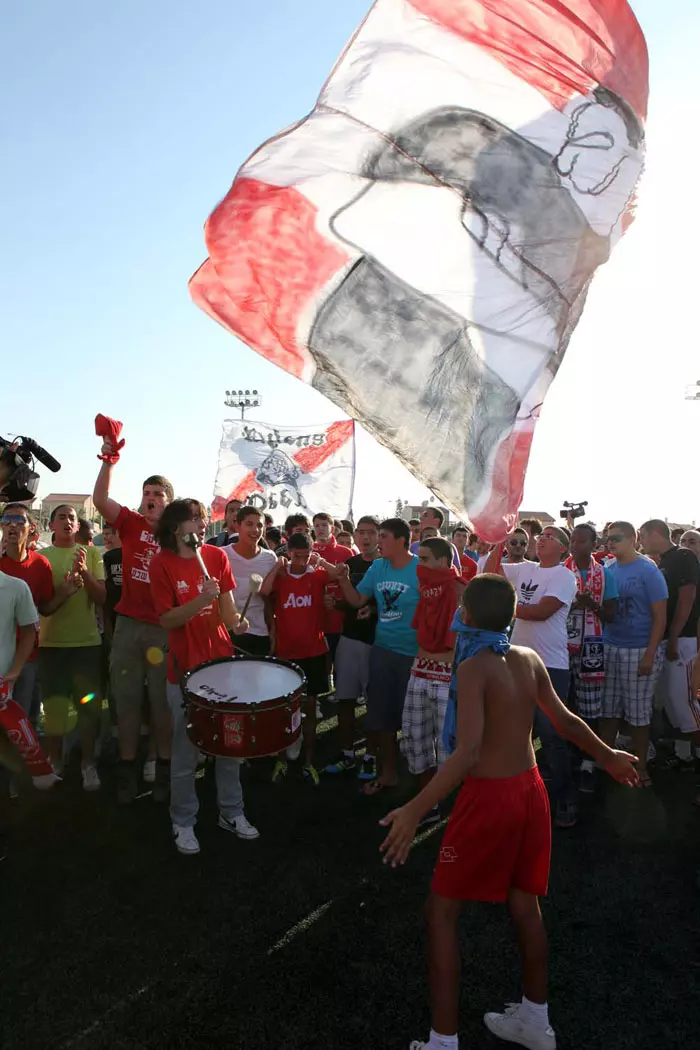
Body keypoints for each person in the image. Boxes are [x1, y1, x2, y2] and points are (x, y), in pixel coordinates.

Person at [379, 574, 640, 1050]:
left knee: (441, 913)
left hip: (490, 799)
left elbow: (469, 751)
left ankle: (442, 1041)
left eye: (462, 606)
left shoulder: (474, 666)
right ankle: (536, 1022)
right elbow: (564, 721)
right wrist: (608, 755)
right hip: (529, 790)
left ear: (468, 616)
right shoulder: (528, 657)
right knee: (524, 904)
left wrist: (416, 808)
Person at [149, 499, 258, 855]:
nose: (199, 523)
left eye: (200, 518)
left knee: (230, 746)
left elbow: (227, 614)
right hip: (184, 669)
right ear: (175, 527)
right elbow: (166, 619)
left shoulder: (216, 557)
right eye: (191, 519)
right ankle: (183, 820)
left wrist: (237, 623)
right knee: (185, 752)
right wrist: (199, 599)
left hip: (222, 665)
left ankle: (232, 812)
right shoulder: (161, 563)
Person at [93, 435, 174, 804]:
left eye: (157, 493)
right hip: (128, 626)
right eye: (146, 492)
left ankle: (160, 768)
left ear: (169, 501)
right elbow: (99, 501)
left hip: (162, 629)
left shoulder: (178, 535)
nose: (150, 497)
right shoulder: (129, 523)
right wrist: (110, 460)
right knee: (125, 701)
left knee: (161, 703)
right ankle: (128, 768)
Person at [485, 527, 579, 828]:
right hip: (518, 662)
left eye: (550, 536)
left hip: (550, 665)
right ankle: (518, 794)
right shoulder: (525, 568)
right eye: (542, 535)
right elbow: (489, 578)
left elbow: (541, 612)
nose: (542, 538)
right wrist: (499, 539)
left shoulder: (564, 576)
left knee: (551, 735)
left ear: (563, 548)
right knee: (516, 731)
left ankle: (565, 798)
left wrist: (504, 609)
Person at [337, 518, 419, 793]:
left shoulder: (421, 568)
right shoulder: (378, 566)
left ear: (401, 540)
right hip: (382, 650)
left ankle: (420, 780)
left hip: (414, 655)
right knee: (382, 715)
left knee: (414, 719)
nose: (377, 541)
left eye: (383, 536)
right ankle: (388, 774)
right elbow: (357, 600)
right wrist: (344, 580)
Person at [261, 534, 339, 784]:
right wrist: (278, 564)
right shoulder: (281, 578)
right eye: (298, 555)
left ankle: (308, 761)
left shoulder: (316, 575)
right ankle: (282, 760)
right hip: (286, 653)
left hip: (314, 652)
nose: (302, 560)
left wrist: (320, 561)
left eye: (307, 555)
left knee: (311, 711)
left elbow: (339, 574)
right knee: (285, 710)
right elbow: (263, 591)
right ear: (289, 553)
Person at [38, 505, 106, 789]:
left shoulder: (91, 554)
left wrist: (84, 574)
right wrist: (65, 591)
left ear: (78, 526)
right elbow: (43, 607)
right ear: (51, 525)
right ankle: (55, 760)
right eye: (62, 517)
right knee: (54, 708)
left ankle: (88, 763)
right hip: (51, 646)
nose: (68, 521)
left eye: (73, 518)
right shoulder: (41, 558)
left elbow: (102, 598)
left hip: (87, 645)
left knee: (88, 709)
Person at [598, 521, 668, 788]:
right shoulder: (609, 569)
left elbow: (660, 617)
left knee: (638, 714)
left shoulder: (648, 570)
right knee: (609, 710)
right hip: (611, 645)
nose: (611, 543)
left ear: (632, 539)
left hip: (639, 648)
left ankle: (641, 767)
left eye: (616, 538)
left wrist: (650, 654)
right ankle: (610, 762)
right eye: (608, 539)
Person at [401, 537, 464, 825]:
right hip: (419, 671)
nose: (419, 565)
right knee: (416, 738)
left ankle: (456, 805)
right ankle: (428, 801)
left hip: (447, 677)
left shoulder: (462, 590)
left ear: (442, 561)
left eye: (424, 559)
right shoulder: (426, 590)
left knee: (449, 745)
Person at [0, 503, 82, 719]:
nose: (12, 526)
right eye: (6, 521)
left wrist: (64, 593)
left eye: (19, 521)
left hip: (27, 655)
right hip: (1, 653)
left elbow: (45, 608)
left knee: (22, 718)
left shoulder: (40, 564)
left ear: (31, 527)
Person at [639, 520, 700, 770]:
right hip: (669, 638)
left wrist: (674, 635)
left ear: (655, 534)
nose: (641, 541)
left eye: (642, 535)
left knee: (684, 700)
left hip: (683, 639)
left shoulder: (682, 556)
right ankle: (685, 754)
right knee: (671, 702)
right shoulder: (662, 560)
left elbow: (687, 597)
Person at [324, 516, 380, 776]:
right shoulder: (350, 564)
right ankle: (346, 753)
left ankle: (370, 755)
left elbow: (395, 602)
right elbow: (348, 599)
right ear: (355, 535)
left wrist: (373, 610)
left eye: (371, 532)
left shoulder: (387, 565)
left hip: (379, 642)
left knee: (374, 705)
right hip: (349, 638)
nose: (365, 537)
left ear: (379, 536)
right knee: (345, 700)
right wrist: (335, 604)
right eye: (361, 532)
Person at [564, 524, 619, 792]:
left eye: (581, 541)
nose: (575, 545)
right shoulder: (560, 571)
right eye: (572, 540)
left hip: (593, 645)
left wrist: (591, 604)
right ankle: (566, 756)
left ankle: (588, 761)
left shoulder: (605, 574)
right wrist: (575, 603)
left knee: (590, 705)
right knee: (565, 701)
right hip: (562, 644)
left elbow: (611, 614)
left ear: (594, 544)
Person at [223, 506, 277, 657]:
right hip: (229, 633)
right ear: (237, 526)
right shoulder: (222, 555)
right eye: (249, 524)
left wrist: (272, 629)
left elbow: (269, 599)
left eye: (259, 525)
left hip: (259, 633)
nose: (255, 530)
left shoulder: (270, 558)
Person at [312, 512, 353, 674]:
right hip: (316, 610)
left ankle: (339, 692)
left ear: (332, 528)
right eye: (317, 525)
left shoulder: (346, 552)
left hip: (339, 612)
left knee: (340, 656)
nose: (320, 528)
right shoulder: (309, 551)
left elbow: (351, 582)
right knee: (320, 657)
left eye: (324, 525)